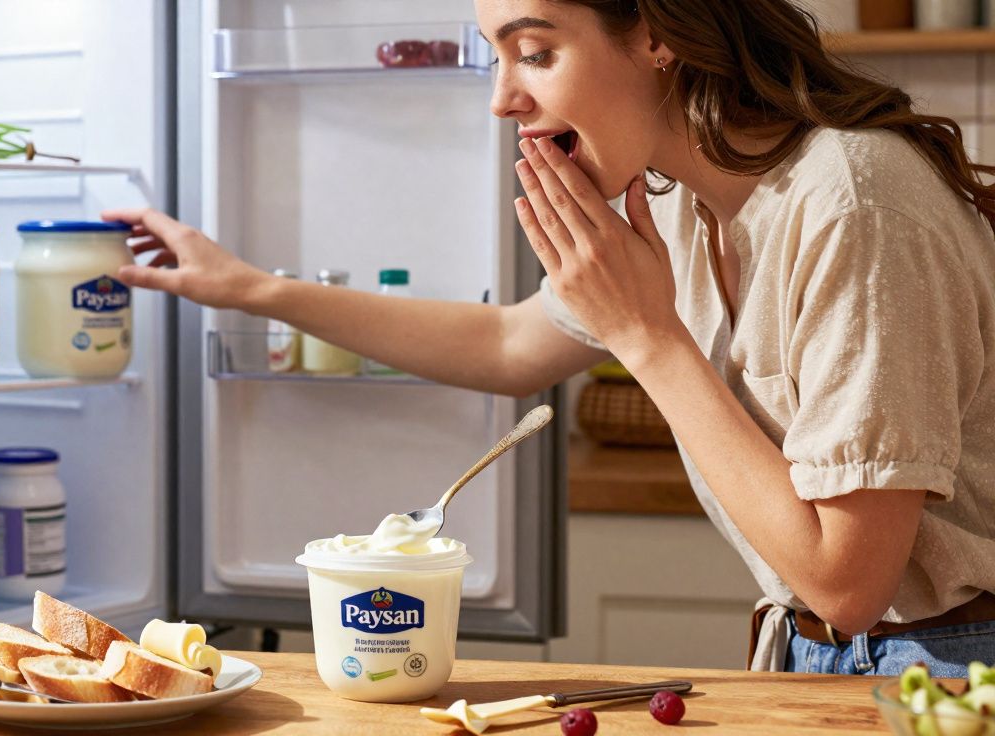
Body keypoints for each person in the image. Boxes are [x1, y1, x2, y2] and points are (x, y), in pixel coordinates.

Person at [104, 0, 995, 676]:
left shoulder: (854, 204)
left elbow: (847, 583)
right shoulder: (680, 200)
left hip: (951, 668)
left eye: (535, 52)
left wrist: (647, 337)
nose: (502, 99)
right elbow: (507, 344)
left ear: (656, 34)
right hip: (828, 664)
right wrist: (253, 289)